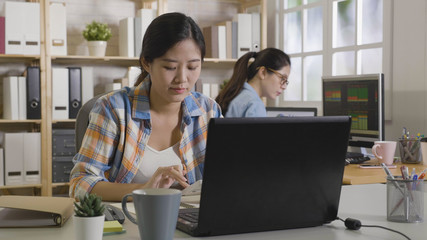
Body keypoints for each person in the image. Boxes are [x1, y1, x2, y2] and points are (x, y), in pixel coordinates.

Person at [69, 12, 222, 201]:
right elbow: (80, 184)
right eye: (170, 67)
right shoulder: (113, 109)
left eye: (192, 67)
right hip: (130, 223)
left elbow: (226, 178)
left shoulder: (209, 111)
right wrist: (144, 190)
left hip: (192, 223)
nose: (182, 79)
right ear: (147, 63)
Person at [215, 48, 291, 117]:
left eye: (286, 81)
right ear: (263, 72)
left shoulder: (237, 94)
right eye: (282, 78)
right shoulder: (255, 104)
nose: (284, 87)